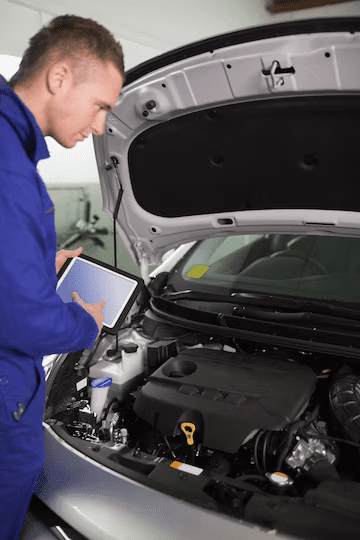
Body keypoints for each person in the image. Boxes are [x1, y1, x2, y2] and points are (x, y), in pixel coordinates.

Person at [0, 15, 124, 539]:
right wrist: (86, 323)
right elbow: (24, 322)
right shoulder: (9, 167)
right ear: (60, 76)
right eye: (101, 106)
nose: (100, 127)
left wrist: (32, 264)